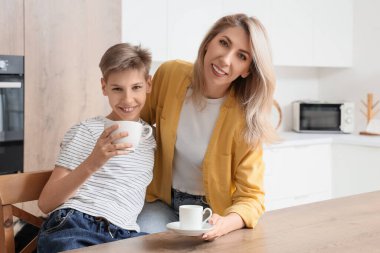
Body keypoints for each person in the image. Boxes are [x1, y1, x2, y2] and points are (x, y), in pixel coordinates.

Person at [137, 13, 277, 240]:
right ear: (208, 43)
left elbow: (251, 198)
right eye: (224, 43)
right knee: (140, 241)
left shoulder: (246, 120)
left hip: (212, 213)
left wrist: (226, 223)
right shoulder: (169, 75)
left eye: (241, 56)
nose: (225, 60)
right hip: (160, 201)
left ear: (247, 70)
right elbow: (136, 123)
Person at [37, 43, 156, 252]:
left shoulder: (151, 138)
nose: (128, 99)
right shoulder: (86, 131)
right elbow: (46, 203)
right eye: (117, 89)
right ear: (104, 87)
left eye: (136, 87)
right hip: (77, 223)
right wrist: (94, 162)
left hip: (124, 234)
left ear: (148, 84)